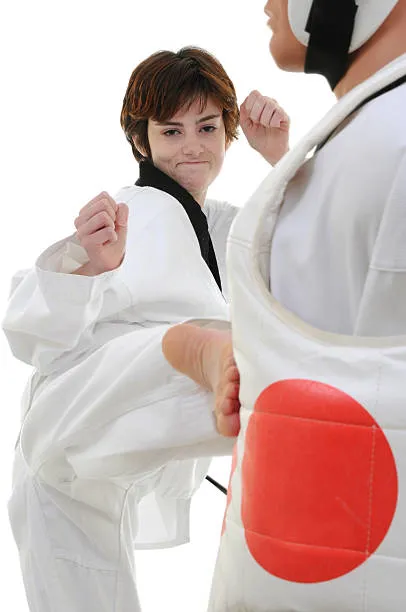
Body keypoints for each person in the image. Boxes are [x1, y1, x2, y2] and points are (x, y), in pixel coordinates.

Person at [2, 47, 290, 612]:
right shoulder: (132, 211)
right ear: (142, 141)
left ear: (228, 132)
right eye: (171, 131)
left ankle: (207, 356)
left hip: (135, 437)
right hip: (75, 418)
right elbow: (30, 332)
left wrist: (280, 156)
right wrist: (91, 267)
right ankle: (191, 349)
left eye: (207, 128)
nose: (193, 147)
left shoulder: (224, 226)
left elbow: (307, 253)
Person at [163, 2, 406, 611]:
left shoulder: (385, 143)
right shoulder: (366, 139)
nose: (269, 4)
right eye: (170, 130)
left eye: (206, 128)